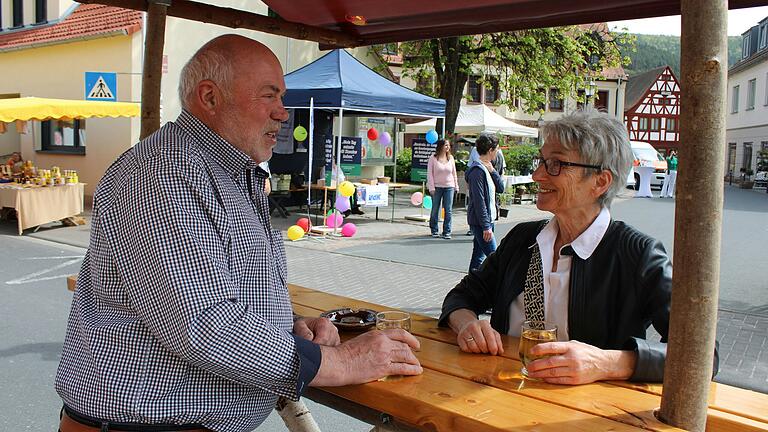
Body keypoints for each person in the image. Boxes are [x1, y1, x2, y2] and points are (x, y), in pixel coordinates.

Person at [55, 35, 421, 432]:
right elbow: (200, 323)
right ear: (209, 98)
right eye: (269, 96)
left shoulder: (225, 171)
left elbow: (226, 285)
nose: (283, 113)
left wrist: (289, 324)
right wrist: (343, 362)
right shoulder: (165, 173)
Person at [440, 109, 718, 384]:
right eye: (541, 161)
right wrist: (467, 325)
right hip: (499, 393)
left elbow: (702, 355)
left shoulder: (638, 254)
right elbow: (461, 297)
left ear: (600, 181)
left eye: (556, 164)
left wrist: (608, 363)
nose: (537, 175)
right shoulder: (522, 240)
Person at [465, 134, 505, 272]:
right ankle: (495, 289)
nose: (498, 152)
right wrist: (486, 226)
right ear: (490, 150)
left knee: (478, 257)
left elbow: (501, 188)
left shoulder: (488, 169)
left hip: (487, 221)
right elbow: (479, 201)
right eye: (497, 149)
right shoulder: (477, 171)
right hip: (480, 222)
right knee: (495, 259)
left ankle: (469, 288)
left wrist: (493, 171)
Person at [427, 139, 459, 239]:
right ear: (440, 146)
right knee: (435, 209)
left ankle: (447, 231)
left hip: (449, 186)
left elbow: (454, 173)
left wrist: (456, 186)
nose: (447, 147)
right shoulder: (433, 158)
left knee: (448, 210)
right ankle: (434, 229)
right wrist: (431, 187)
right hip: (437, 187)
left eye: (448, 145)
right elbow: (430, 174)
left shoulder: (451, 158)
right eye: (445, 145)